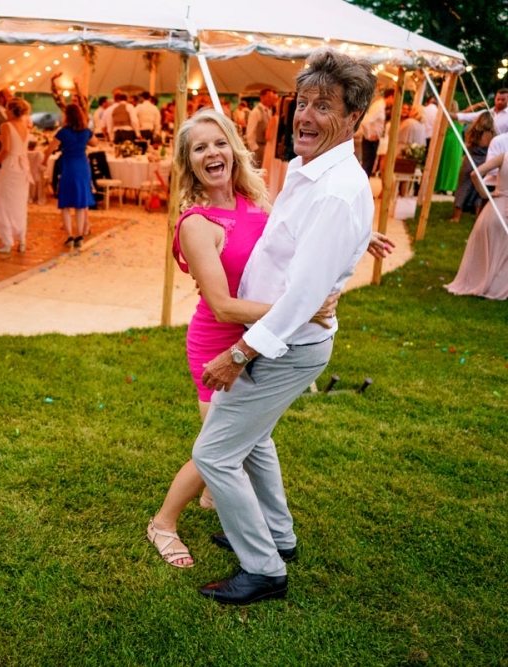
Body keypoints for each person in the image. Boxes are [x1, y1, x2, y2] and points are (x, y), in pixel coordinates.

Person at [191, 49, 378, 605]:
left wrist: (240, 354)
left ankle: (264, 566)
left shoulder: (339, 189)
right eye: (302, 102)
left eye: (324, 106)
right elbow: (298, 250)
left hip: (286, 344)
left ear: (353, 119)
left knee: (214, 454)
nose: (306, 116)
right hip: (289, 338)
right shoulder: (311, 170)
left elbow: (300, 300)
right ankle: (280, 535)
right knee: (255, 443)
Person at [445, 151, 508, 299]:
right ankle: (495, 288)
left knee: (486, 250)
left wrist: (484, 194)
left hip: (495, 207)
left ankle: (479, 282)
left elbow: (475, 174)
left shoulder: (504, 156)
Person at [44, 103, 97, 249]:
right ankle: (80, 235)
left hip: (68, 166)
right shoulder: (85, 131)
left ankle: (69, 237)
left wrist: (43, 161)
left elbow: (50, 149)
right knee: (81, 204)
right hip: (82, 167)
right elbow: (95, 143)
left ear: (67, 116)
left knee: (66, 204)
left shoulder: (63, 132)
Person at [0, 97, 33, 253]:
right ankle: (22, 240)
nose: (5, 112)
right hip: (23, 167)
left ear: (12, 110)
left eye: (7, 109)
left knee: (3, 202)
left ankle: (7, 242)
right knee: (19, 204)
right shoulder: (25, 126)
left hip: (10, 167)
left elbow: (6, 149)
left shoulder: (5, 126)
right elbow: (16, 149)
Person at [451, 113, 495, 222]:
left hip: (470, 161)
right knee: (479, 191)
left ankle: (456, 216)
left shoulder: (471, 132)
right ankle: (478, 217)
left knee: (463, 188)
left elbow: (467, 145)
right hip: (484, 163)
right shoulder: (492, 134)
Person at [358, 88, 394, 175]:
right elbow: (365, 122)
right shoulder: (378, 106)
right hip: (370, 140)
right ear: (391, 97)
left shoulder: (381, 106)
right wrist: (369, 136)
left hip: (374, 140)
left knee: (369, 165)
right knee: (367, 165)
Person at [246, 88, 279, 168]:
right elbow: (250, 132)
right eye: (269, 97)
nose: (271, 99)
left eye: (272, 97)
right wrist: (255, 148)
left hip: (267, 147)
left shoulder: (271, 110)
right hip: (258, 147)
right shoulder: (255, 112)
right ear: (262, 97)